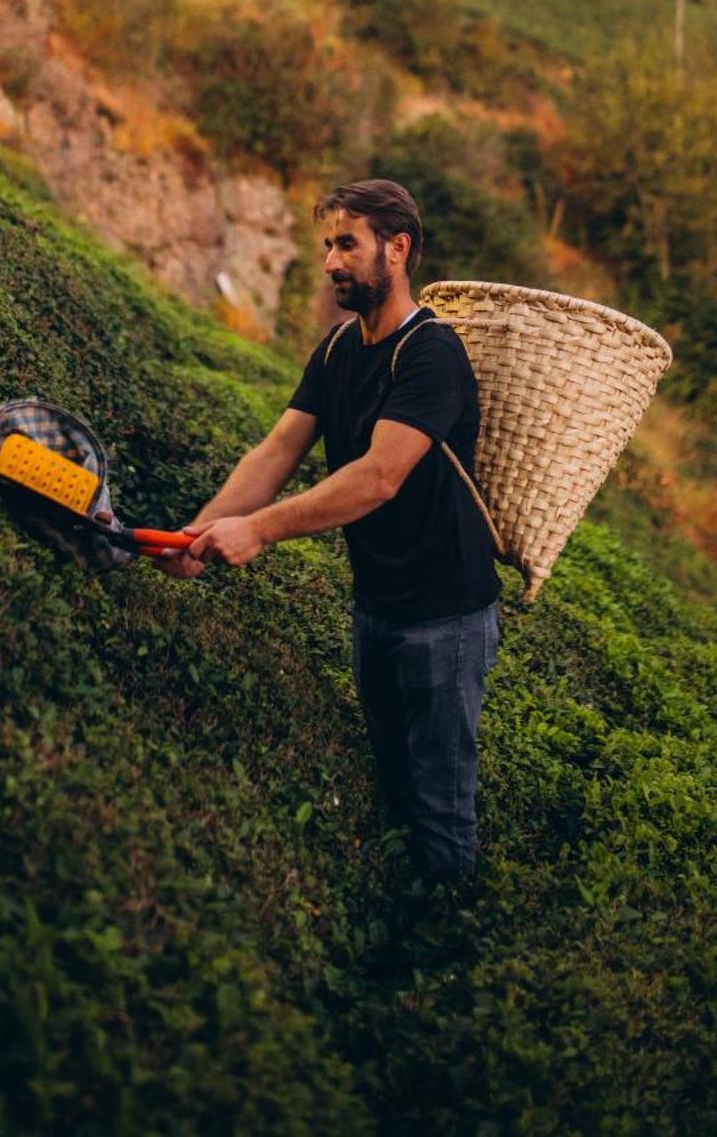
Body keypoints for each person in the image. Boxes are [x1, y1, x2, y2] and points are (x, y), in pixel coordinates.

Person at [169, 178, 501, 882]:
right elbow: (277, 449)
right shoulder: (335, 349)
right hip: (375, 606)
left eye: (346, 244)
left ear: (397, 249)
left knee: (441, 803)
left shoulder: (430, 354)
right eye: (326, 245)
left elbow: (379, 476)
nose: (329, 262)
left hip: (445, 617)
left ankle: (446, 936)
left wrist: (257, 531)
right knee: (389, 773)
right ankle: (395, 900)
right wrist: (197, 532)